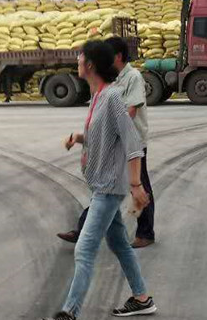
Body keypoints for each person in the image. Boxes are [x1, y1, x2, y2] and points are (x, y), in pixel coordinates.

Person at [42, 40, 154, 320]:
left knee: (84, 249)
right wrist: (79, 138)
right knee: (120, 244)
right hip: (101, 184)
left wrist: (136, 185)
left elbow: (132, 143)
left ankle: (70, 314)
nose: (77, 62)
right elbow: (103, 136)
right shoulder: (98, 97)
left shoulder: (112, 97)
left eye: (79, 58)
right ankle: (142, 298)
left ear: (90, 65)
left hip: (108, 187)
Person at [58, 34, 156, 248]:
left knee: (138, 186)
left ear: (118, 56)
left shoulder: (133, 77)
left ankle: (145, 233)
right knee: (106, 190)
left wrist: (107, 128)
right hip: (112, 143)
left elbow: (130, 111)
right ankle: (86, 229)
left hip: (132, 144)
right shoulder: (108, 81)